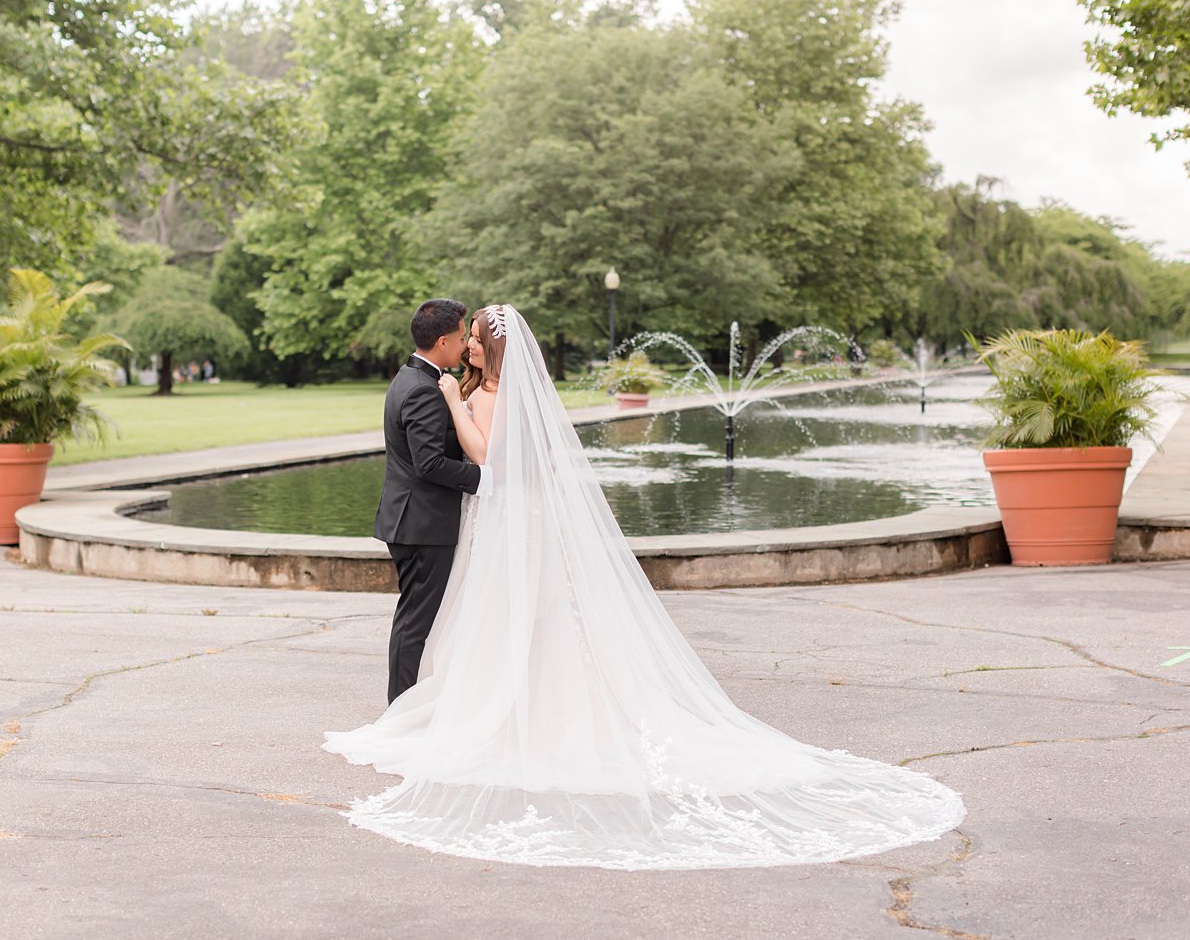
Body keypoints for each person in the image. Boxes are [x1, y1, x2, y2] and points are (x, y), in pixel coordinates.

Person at [324, 304, 966, 870]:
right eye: (461, 335)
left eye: (473, 338)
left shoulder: (474, 395)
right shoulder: (476, 390)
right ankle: (474, 706)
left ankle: (487, 713)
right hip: (500, 519)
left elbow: (486, 460)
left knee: (504, 617)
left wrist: (458, 403)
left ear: (483, 348)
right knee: (512, 617)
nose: (465, 344)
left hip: (504, 518)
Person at [371, 299, 491, 704]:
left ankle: (407, 706)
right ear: (442, 341)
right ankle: (399, 712)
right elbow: (430, 464)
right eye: (460, 338)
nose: (463, 346)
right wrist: (484, 479)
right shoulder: (423, 389)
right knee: (416, 624)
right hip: (422, 525)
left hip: (411, 519)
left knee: (415, 619)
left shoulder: (411, 377)